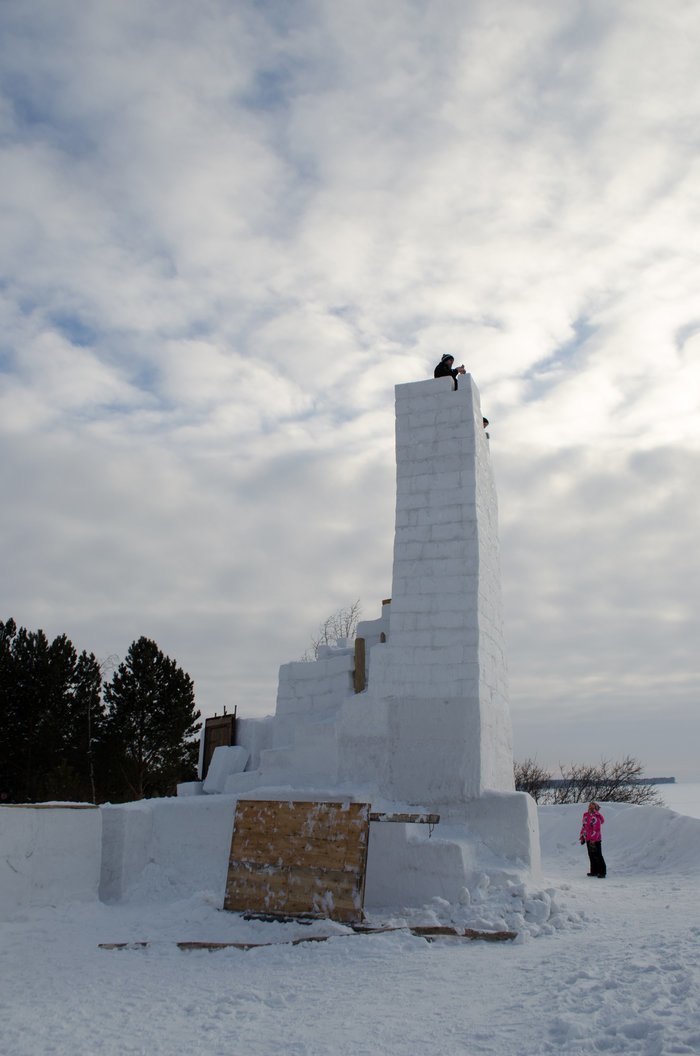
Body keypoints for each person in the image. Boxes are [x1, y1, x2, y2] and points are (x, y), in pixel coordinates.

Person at [579, 801, 607, 878]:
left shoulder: (596, 816)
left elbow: (597, 829)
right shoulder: (586, 815)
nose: (590, 807)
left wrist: (593, 839)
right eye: (590, 806)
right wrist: (582, 836)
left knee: (598, 855)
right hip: (588, 838)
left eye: (592, 806)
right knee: (591, 855)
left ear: (596, 808)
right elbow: (584, 826)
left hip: (596, 839)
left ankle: (602, 872)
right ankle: (594, 871)